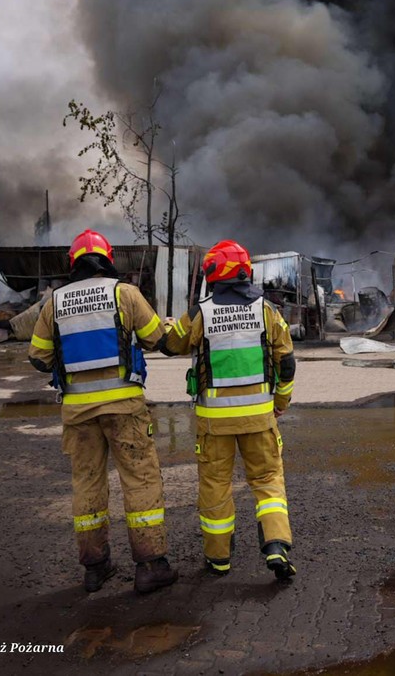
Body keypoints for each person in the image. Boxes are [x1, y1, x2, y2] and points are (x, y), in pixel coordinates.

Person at [28, 229, 178, 594]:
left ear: (73, 262)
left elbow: (38, 357)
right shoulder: (124, 293)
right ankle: (150, 565)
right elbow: (156, 338)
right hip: (124, 407)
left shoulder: (55, 302)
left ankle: (95, 568)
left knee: (87, 483)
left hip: (78, 413)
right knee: (140, 480)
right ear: (107, 259)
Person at [160, 240, 297, 581]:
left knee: (215, 485)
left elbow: (170, 345)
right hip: (260, 418)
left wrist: (167, 327)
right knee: (267, 481)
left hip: (214, 423)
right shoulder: (268, 310)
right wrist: (280, 403)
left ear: (211, 273)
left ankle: (218, 559)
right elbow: (288, 363)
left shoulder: (199, 313)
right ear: (245, 271)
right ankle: (277, 546)